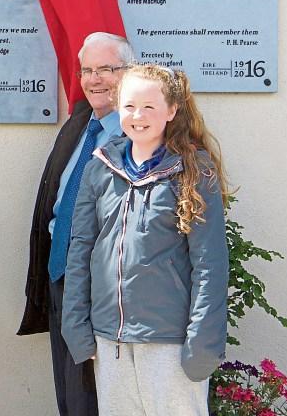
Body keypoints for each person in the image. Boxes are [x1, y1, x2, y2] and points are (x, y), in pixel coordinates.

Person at [62, 64, 229, 416]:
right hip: (110, 342)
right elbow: (80, 251)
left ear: (171, 110)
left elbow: (210, 264)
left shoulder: (194, 172)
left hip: (171, 344)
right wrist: (75, 326)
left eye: (149, 106)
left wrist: (203, 342)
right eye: (130, 106)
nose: (138, 116)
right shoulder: (100, 167)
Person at [18, 32, 134, 416]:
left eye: (106, 69)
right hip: (60, 274)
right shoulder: (79, 124)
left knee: (99, 393)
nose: (94, 79)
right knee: (70, 392)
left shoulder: (138, 133)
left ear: (129, 72)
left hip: (103, 283)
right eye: (87, 70)